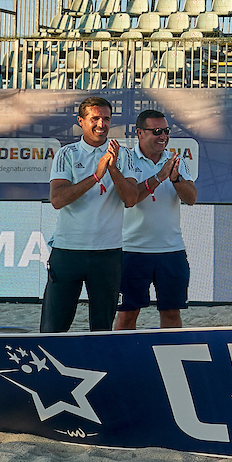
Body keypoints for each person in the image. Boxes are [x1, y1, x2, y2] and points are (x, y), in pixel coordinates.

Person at [42, 97, 139, 332]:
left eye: (106, 119)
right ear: (81, 122)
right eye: (95, 118)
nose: (101, 124)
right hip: (68, 250)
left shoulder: (124, 155)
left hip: (107, 252)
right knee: (54, 327)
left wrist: (113, 169)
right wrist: (95, 176)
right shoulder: (67, 154)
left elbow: (131, 199)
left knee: (102, 327)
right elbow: (58, 200)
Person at [115, 110, 197, 330]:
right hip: (132, 250)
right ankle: (123, 363)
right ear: (140, 133)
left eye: (166, 131)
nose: (163, 136)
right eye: (157, 131)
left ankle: (171, 362)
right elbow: (130, 199)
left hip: (171, 250)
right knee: (127, 315)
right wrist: (160, 177)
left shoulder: (175, 160)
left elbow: (191, 198)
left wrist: (176, 178)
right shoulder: (125, 159)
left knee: (171, 314)